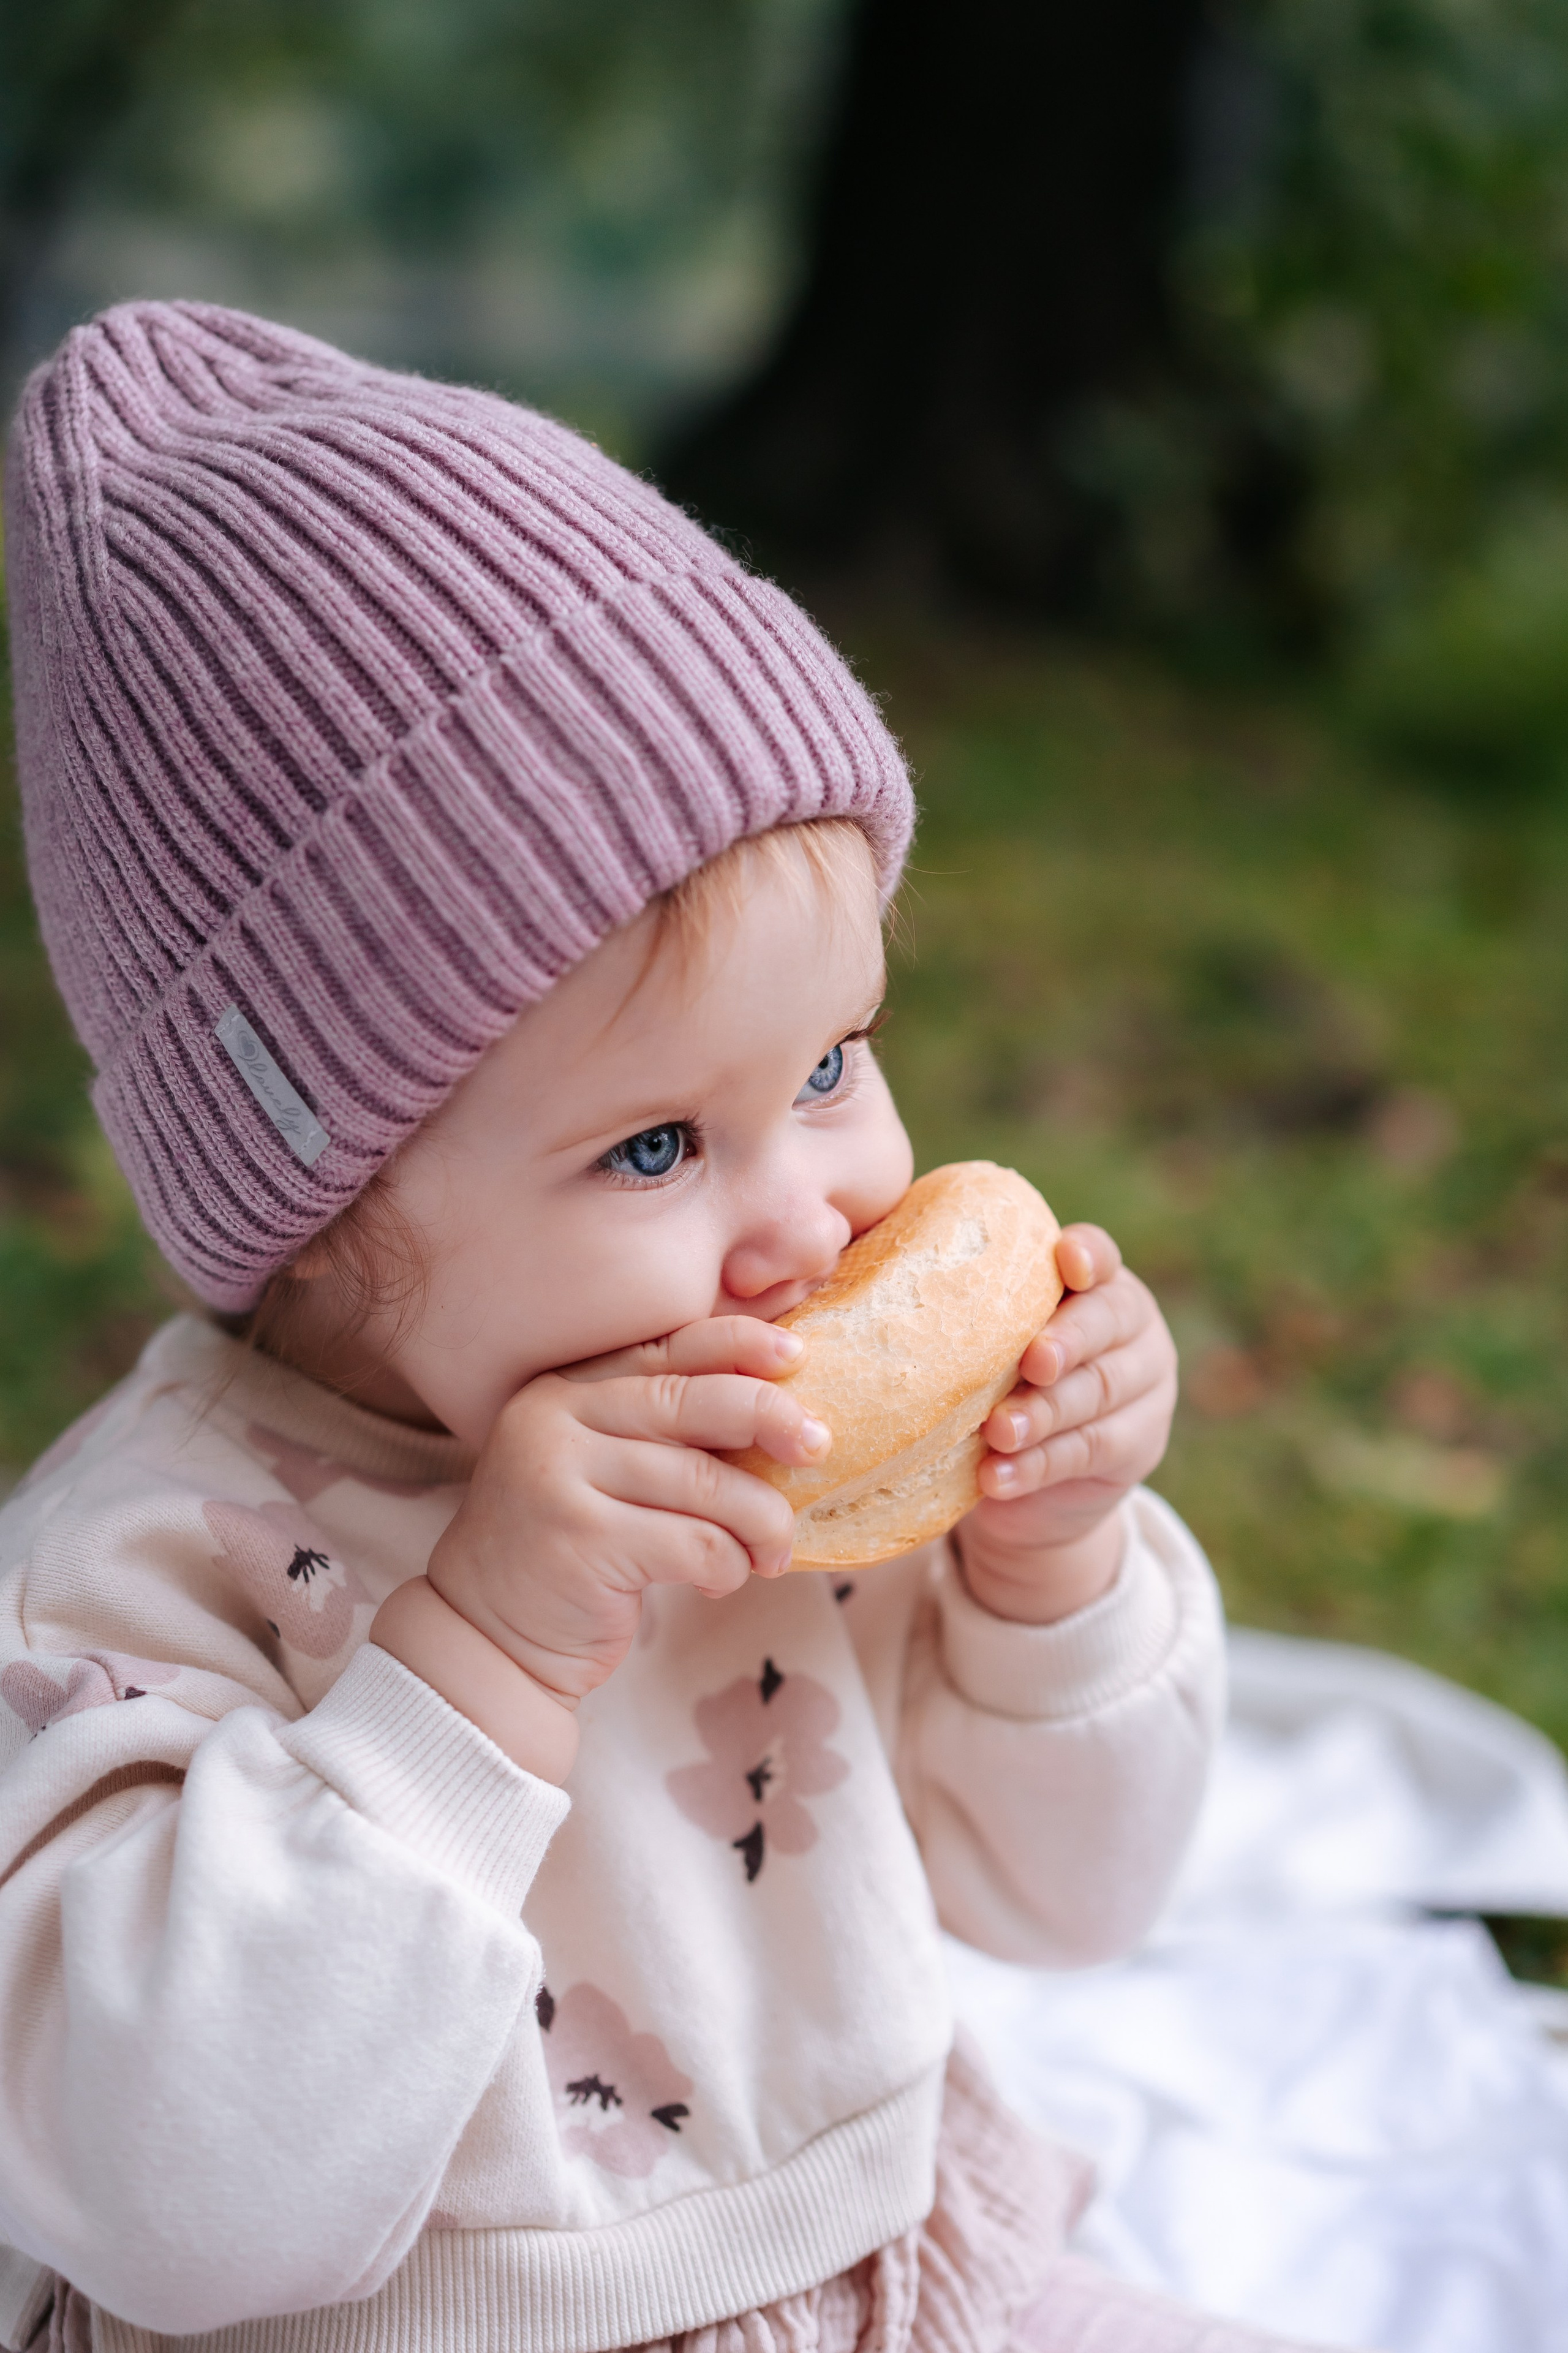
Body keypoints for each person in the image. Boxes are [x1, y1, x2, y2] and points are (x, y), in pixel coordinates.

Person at [0, 304, 1335, 2353]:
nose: (810, 1215)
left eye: (832, 1066)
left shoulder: (786, 1455)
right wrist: (485, 1651)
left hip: (883, 2265)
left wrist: (1048, 1569)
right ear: (320, 1207)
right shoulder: (132, 1580)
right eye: (652, 1148)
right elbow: (187, 2208)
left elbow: (1074, 1898)